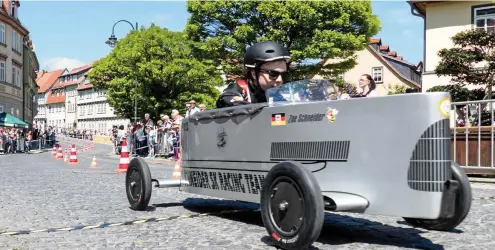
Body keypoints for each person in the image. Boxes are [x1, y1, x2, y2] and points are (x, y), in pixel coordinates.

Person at [216, 41, 291, 108]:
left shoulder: (276, 96)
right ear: (254, 74)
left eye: (284, 74)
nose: (280, 80)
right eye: (273, 74)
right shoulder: (236, 90)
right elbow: (227, 101)